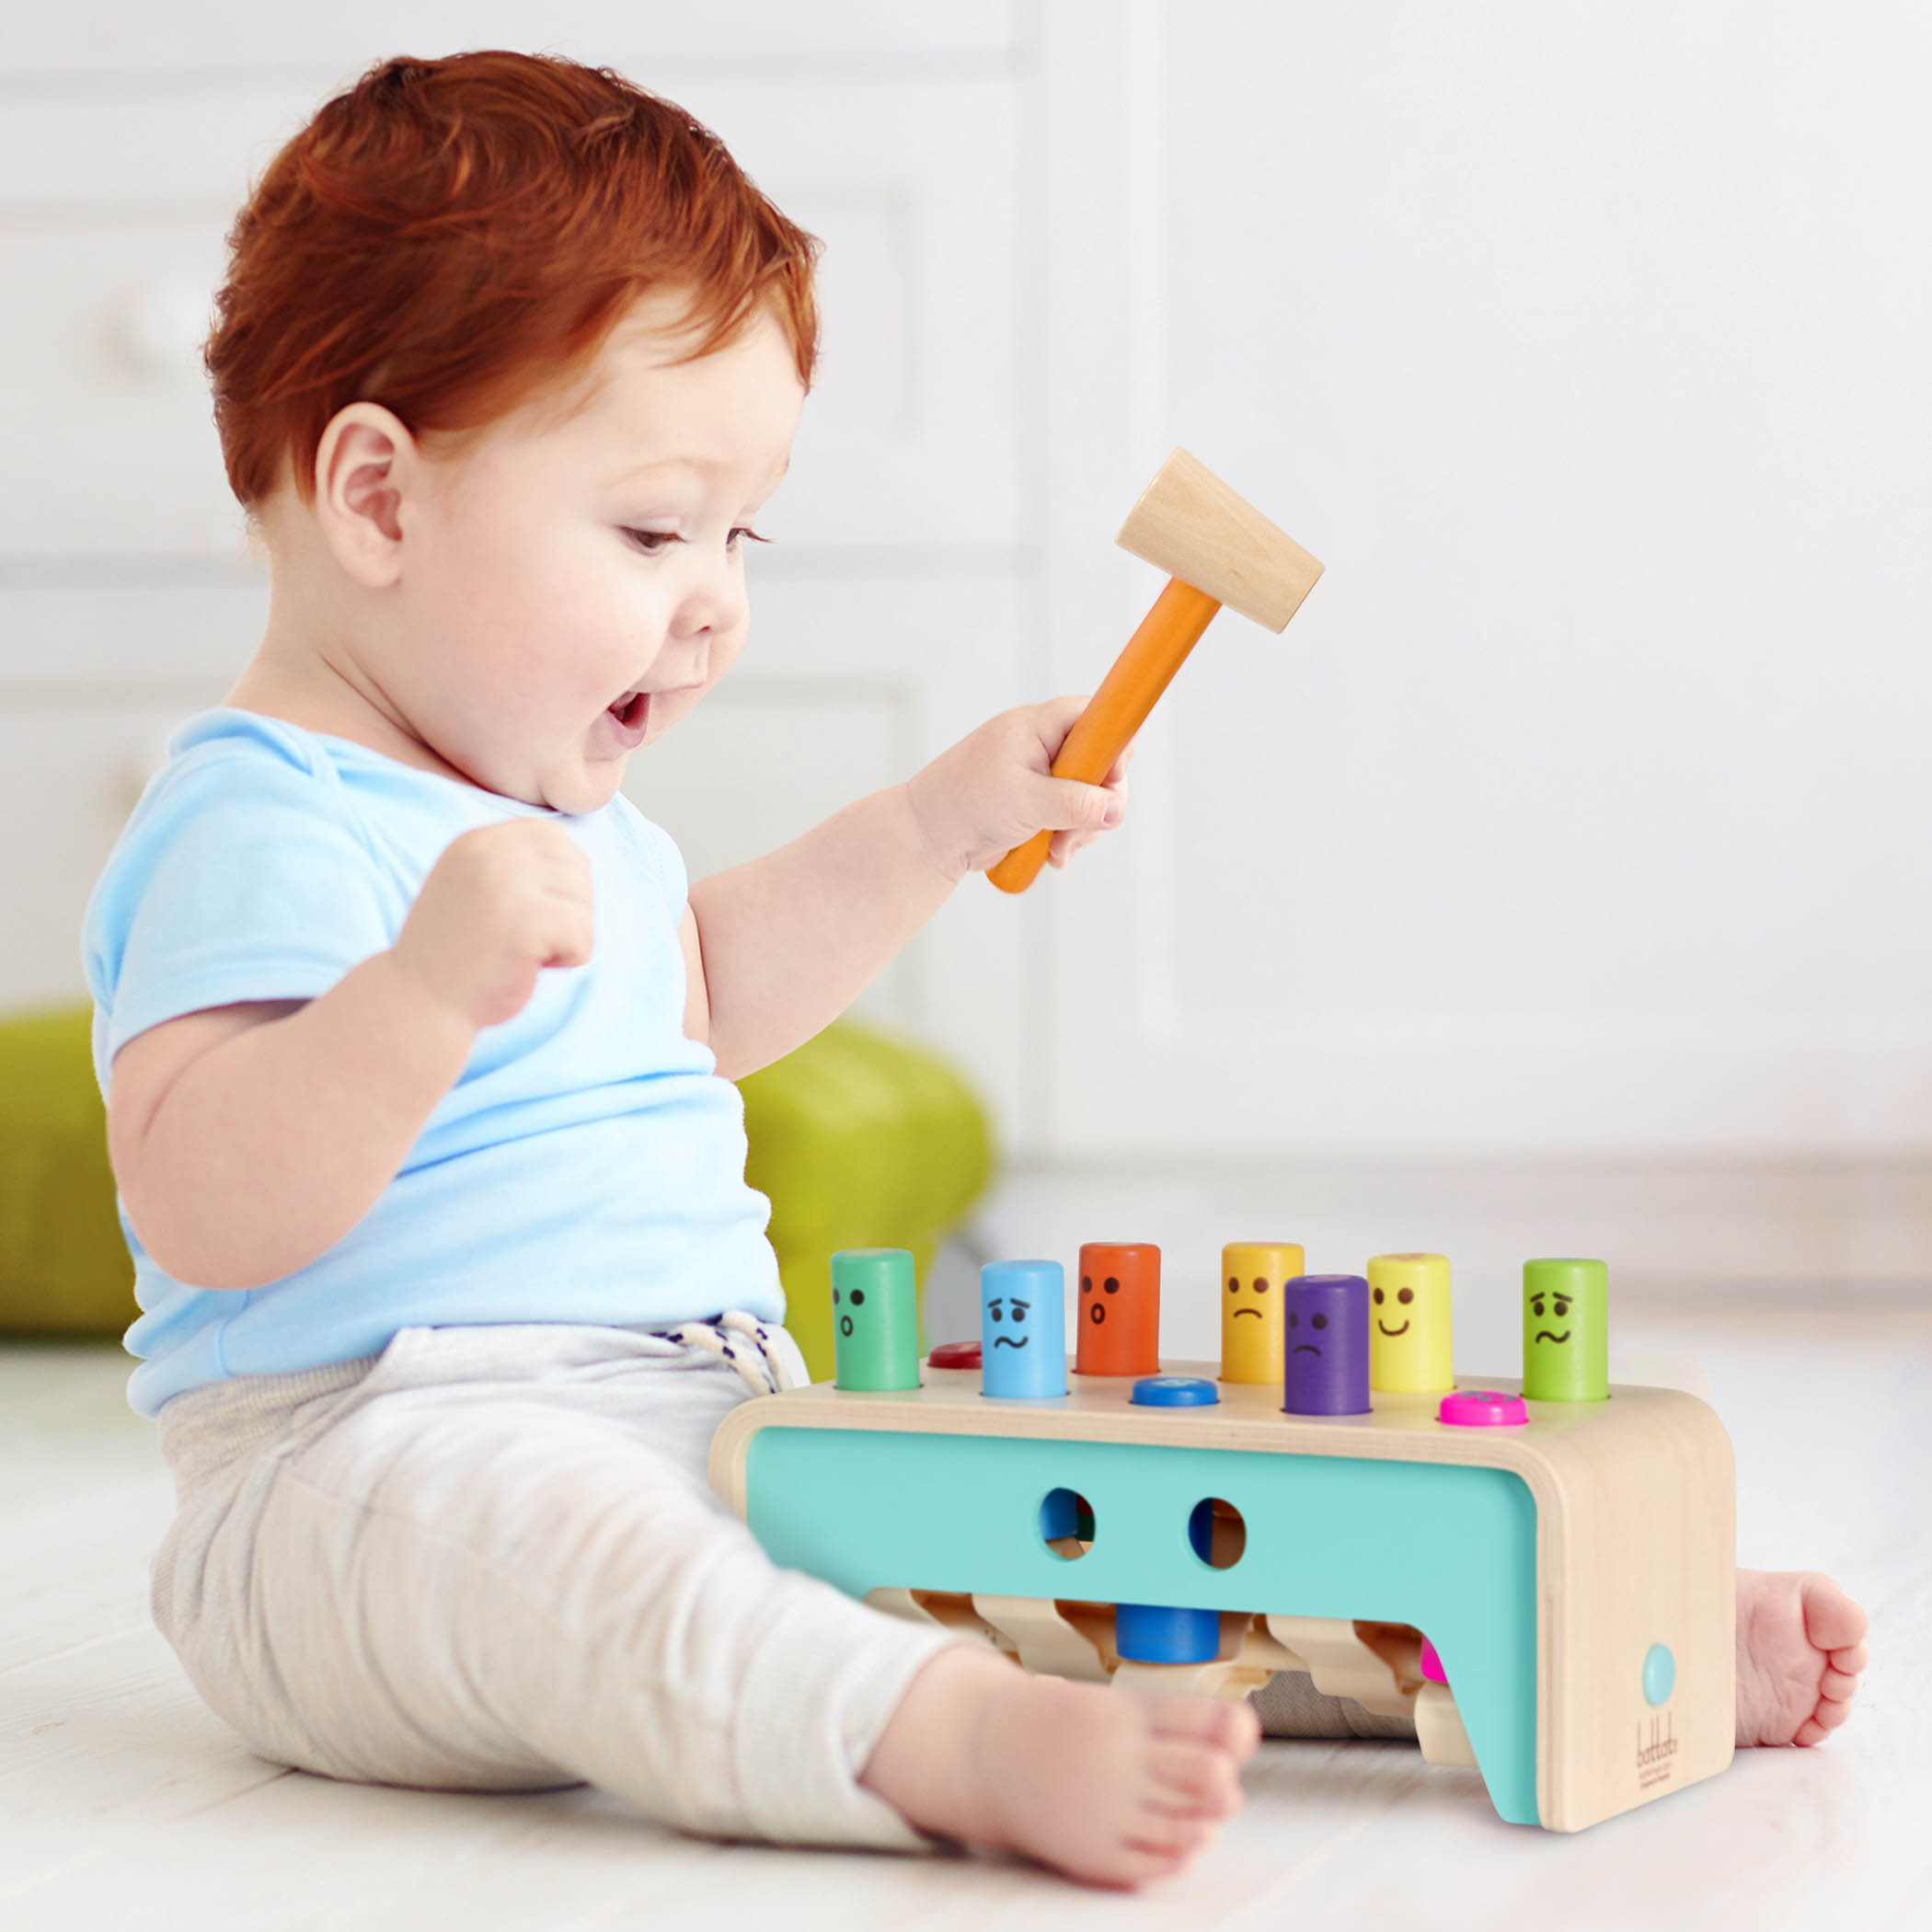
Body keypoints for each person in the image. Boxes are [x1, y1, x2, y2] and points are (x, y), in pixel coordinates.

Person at [81, 52, 1867, 1892]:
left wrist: (931, 825)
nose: (717, 603)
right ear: (376, 495)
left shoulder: (563, 812)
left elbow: (697, 991)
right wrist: (419, 997)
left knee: (1054, 1524)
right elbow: (208, 1198)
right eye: (650, 528)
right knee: (571, 1553)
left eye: (738, 533)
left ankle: (1529, 1649)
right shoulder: (260, 819)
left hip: (706, 1412)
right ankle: (941, 1743)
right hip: (363, 1474)